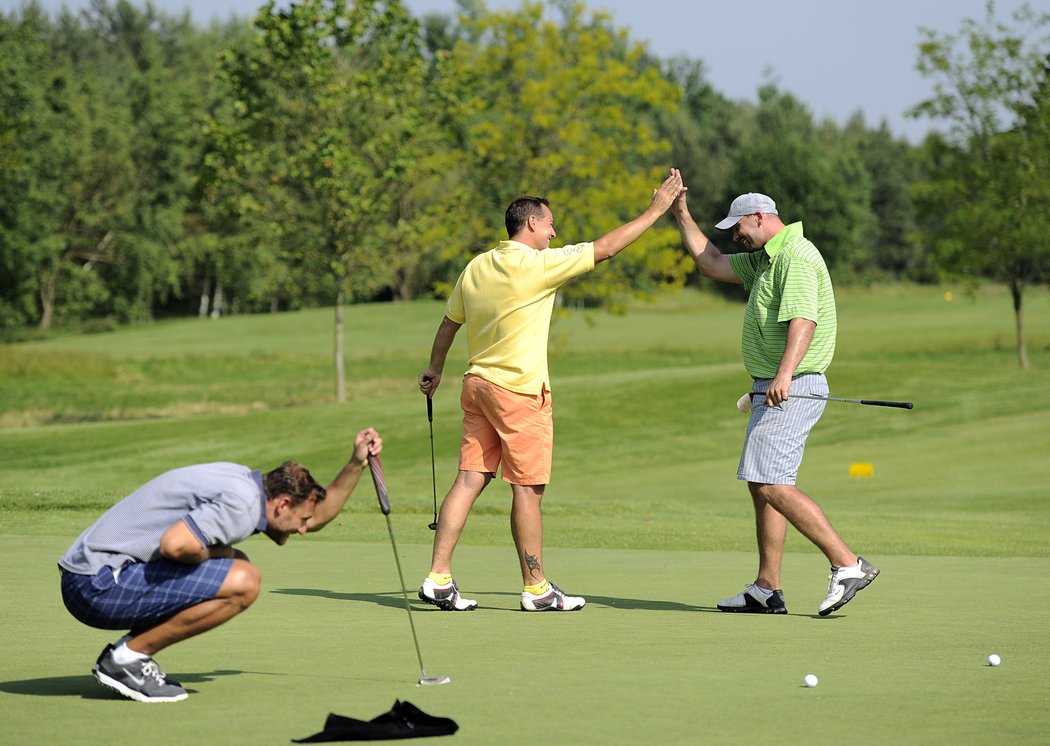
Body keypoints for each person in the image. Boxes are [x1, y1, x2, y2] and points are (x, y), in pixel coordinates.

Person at [416, 171, 685, 612]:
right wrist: (656, 210)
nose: (555, 232)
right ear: (532, 225)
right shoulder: (540, 265)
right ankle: (537, 588)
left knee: (468, 480)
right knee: (527, 489)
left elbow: (449, 323)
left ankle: (438, 577)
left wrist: (434, 368)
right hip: (519, 394)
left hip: (477, 386)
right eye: (550, 224)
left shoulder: (477, 265)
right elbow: (609, 247)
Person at [669, 172, 879, 616]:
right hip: (774, 386)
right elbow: (710, 263)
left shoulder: (795, 257)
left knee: (770, 482)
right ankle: (768, 588)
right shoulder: (766, 257)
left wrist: (783, 375)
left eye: (738, 227)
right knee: (761, 485)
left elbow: (804, 320)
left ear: (759, 217)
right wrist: (681, 213)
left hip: (793, 385)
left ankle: (847, 564)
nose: (735, 236)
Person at [58, 427, 382, 702]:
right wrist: (218, 554)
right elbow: (176, 545)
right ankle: (125, 660)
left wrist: (356, 464)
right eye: (300, 520)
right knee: (244, 580)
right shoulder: (241, 504)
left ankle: (128, 656)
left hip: (92, 578)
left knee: (236, 566)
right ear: (283, 503)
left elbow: (317, 517)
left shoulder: (246, 485)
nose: (302, 529)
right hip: (96, 586)